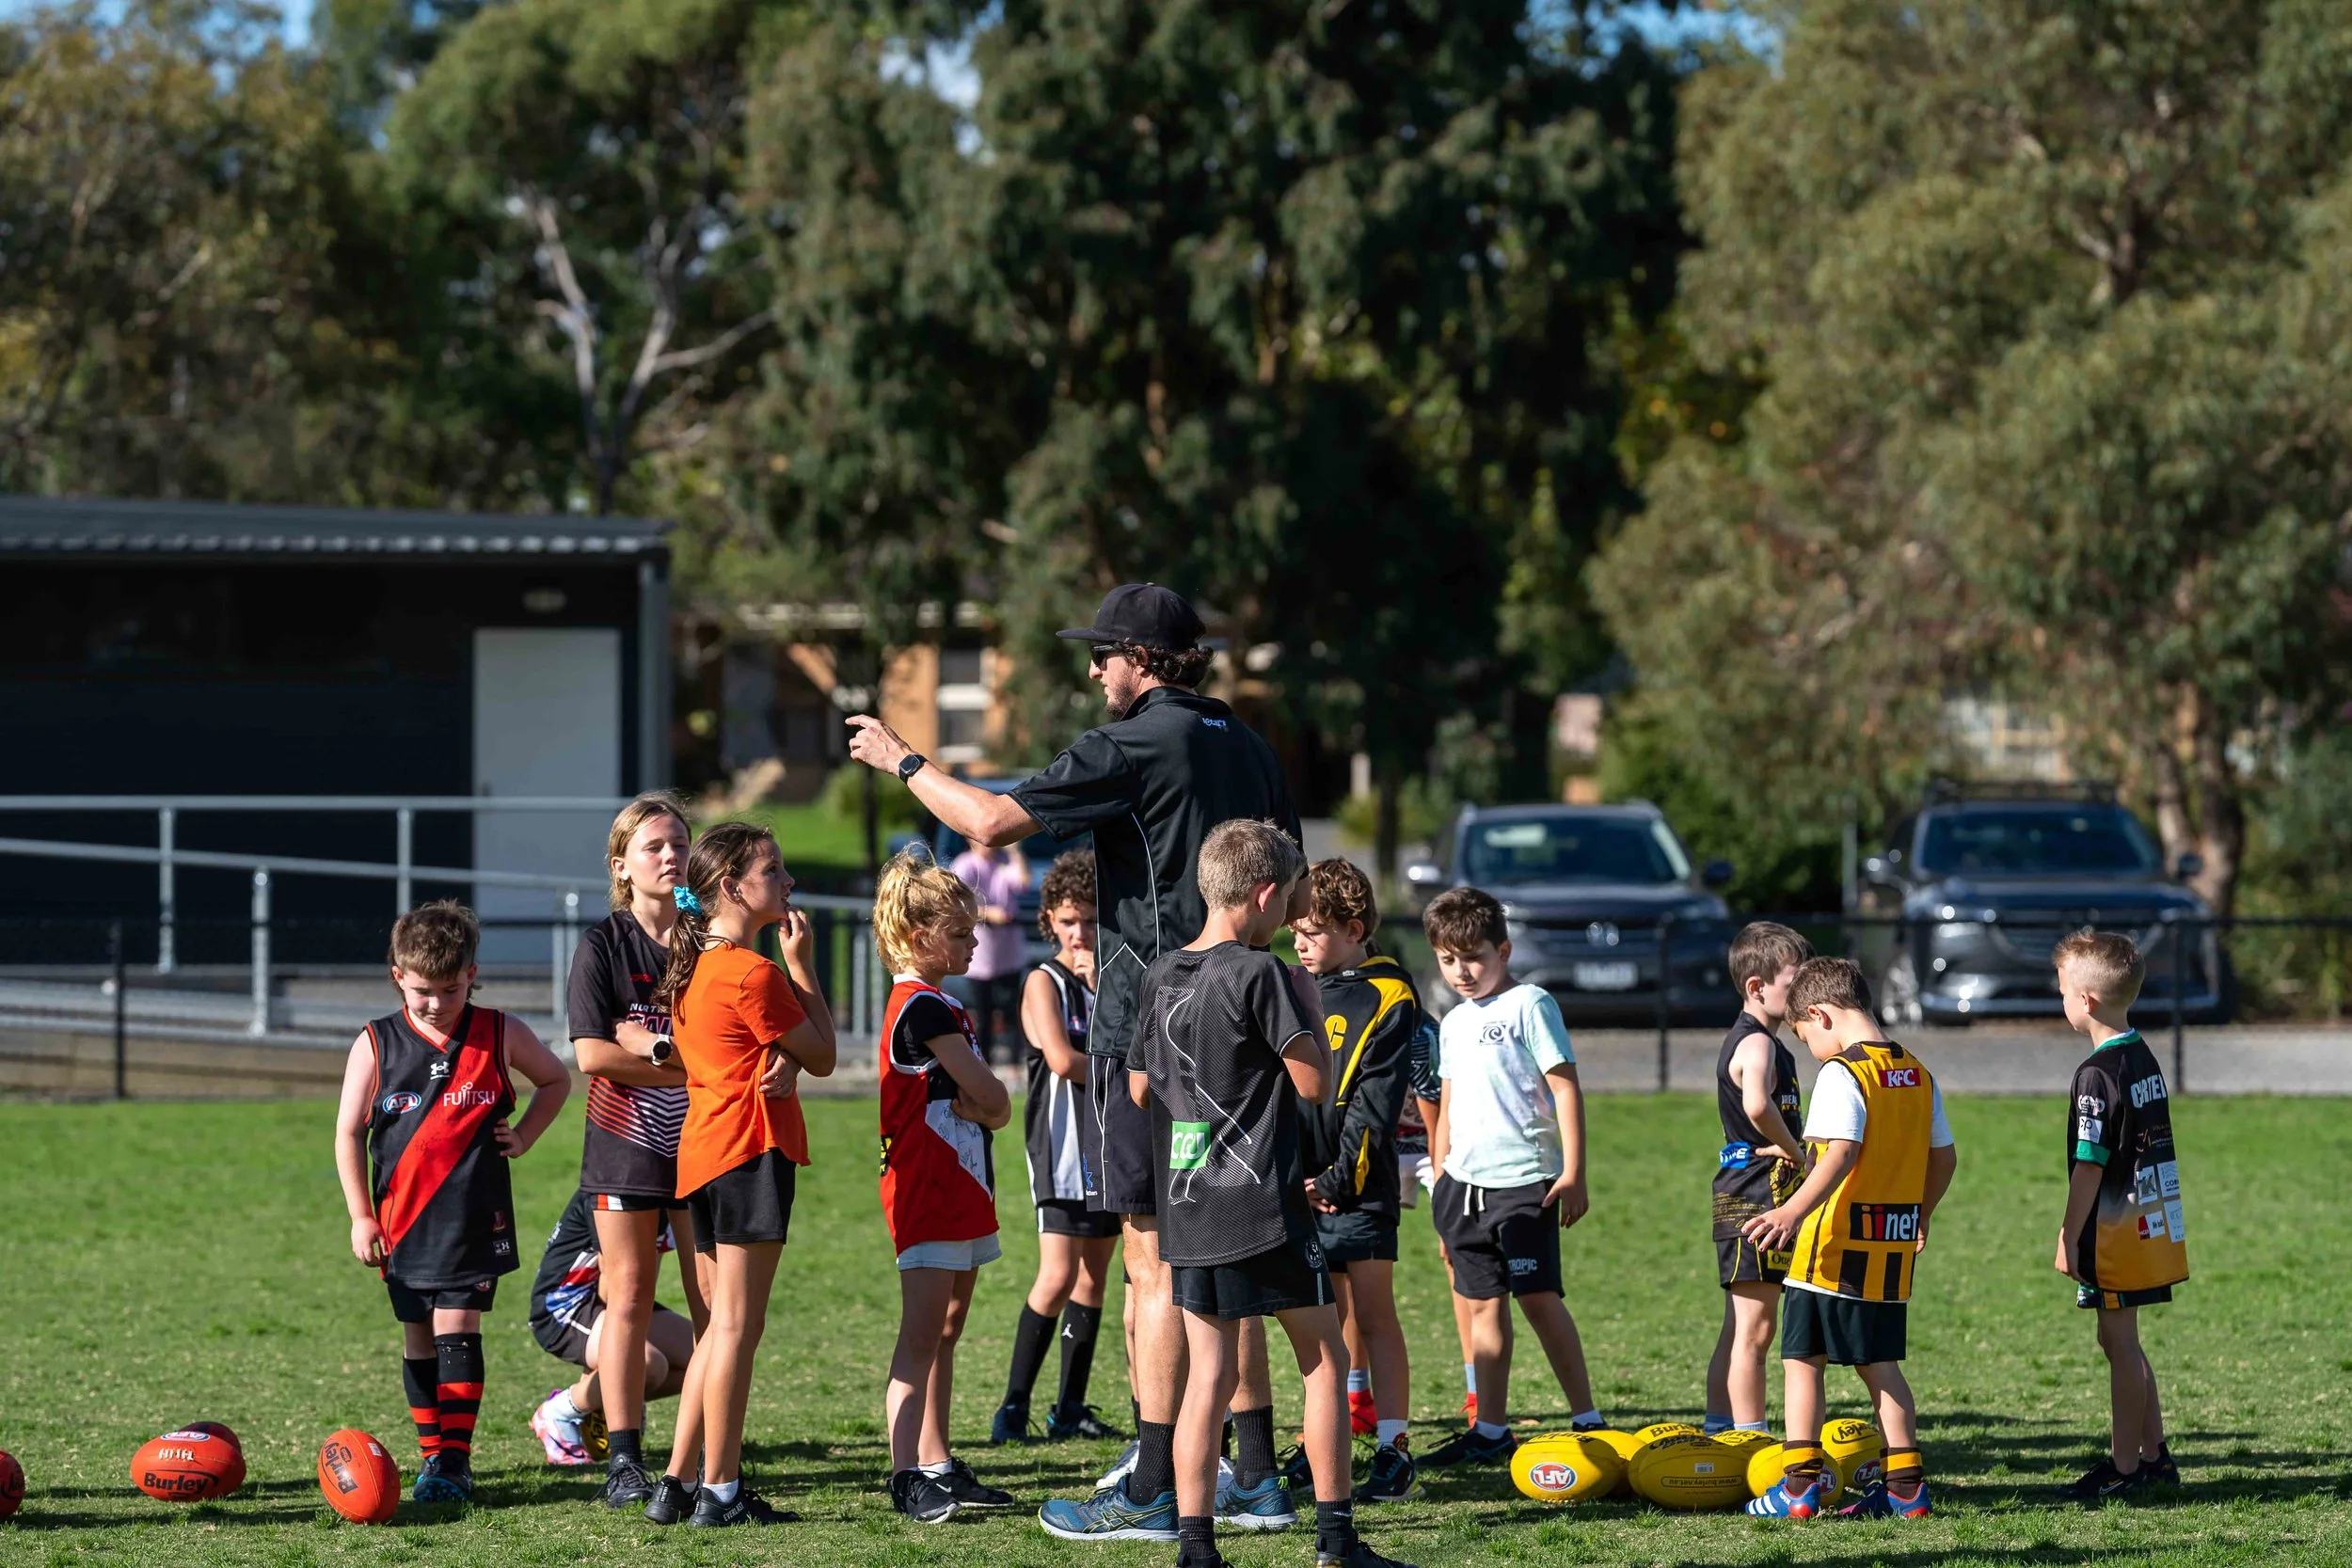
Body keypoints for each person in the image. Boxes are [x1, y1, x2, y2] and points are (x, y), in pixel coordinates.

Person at [846, 582, 1304, 1539]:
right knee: (1232, 1256)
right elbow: (1287, 884)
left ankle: (1150, 1482)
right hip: (1244, 1025)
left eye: (1101, 653)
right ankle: (1254, 1473)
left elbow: (985, 822)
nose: (1092, 669)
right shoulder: (1249, 743)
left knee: (1149, 1259)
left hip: (1151, 1029)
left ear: (1138, 659)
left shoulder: (1132, 741)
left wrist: (902, 758)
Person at [1116, 820, 1412, 1568]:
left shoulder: (1161, 973)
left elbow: (1141, 1087)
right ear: (1267, 894)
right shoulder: (1264, 974)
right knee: (1322, 1357)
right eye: (1292, 906)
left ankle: (1195, 1547)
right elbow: (1313, 1082)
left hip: (1189, 1202)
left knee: (1207, 1375)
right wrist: (1306, 1002)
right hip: (1263, 1202)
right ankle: (1337, 1538)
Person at [331, 899, 572, 1503]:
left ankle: (455, 1463)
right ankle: (431, 1456)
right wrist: (361, 1216)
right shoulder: (376, 1044)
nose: (435, 1003)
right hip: (401, 1222)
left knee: (458, 1331)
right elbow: (348, 1132)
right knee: (418, 1340)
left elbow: (556, 1079)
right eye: (421, 992)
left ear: (471, 974)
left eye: (448, 989)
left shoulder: (500, 1032)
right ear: (397, 978)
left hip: (473, 1218)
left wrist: (526, 1135)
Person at [656, 822, 836, 1528]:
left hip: (702, 1156)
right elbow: (821, 1052)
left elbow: (772, 1051)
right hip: (749, 1153)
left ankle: (677, 1482)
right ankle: (720, 1491)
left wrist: (784, 1056)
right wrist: (805, 964)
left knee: (718, 1331)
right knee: (736, 1327)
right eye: (774, 870)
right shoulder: (752, 970)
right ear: (732, 886)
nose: (787, 882)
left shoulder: (694, 966)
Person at [1740, 958, 1957, 1521]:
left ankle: (1798, 1489)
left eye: (1804, 1033)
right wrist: (1922, 1214)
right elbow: (1944, 1158)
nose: (1809, 1044)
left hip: (1830, 1248)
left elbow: (1840, 1152)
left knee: (1802, 1362)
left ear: (1819, 1013)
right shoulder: (1916, 1071)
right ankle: (1907, 1493)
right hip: (1888, 1247)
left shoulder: (1843, 1073)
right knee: (1881, 1365)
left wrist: (1789, 1210)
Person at [547, 793, 708, 1509]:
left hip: (704, 1146)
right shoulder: (602, 945)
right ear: (622, 864)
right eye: (654, 845)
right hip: (625, 1148)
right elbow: (592, 1055)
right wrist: (685, 1067)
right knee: (630, 1295)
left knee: (716, 1309)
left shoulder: (706, 939)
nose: (671, 854)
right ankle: (623, 1460)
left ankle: (702, 1459)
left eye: (679, 842)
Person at [1416, 887, 1607, 1469]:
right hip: (1463, 1190)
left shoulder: (1531, 1004)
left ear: (1504, 949)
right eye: (1448, 960)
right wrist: (1443, 1173)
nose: (1461, 971)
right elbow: (1446, 1102)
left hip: (1527, 1185)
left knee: (1541, 1301)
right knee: (1483, 1309)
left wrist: (1574, 1172)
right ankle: (1491, 1430)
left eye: (1473, 957)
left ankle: (1588, 1421)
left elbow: (1565, 1086)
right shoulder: (1450, 1022)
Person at [873, 847, 1021, 1523]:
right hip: (928, 1187)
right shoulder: (921, 1007)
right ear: (917, 935)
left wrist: (987, 1107)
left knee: (950, 1326)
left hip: (963, 1183)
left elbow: (990, 1105)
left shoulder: (942, 1003)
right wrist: (987, 1105)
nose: (974, 941)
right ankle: (906, 1473)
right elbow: (992, 1096)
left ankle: (936, 1459)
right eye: (960, 932)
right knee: (921, 1332)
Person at [1291, 859, 1422, 1504]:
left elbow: (1374, 1102)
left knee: (1373, 1314)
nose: (1301, 943)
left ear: (1355, 925)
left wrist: (1340, 1178)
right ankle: (1316, 1440)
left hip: (1358, 1185)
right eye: (1294, 932)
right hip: (1303, 1186)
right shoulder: (1298, 983)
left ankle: (1394, 1448)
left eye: (1313, 931)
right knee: (1321, 1320)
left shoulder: (1389, 993)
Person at [2050, 929, 2187, 1503]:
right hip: (2152, 1219)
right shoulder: (2142, 1053)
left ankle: (2125, 1468)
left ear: (2084, 1001)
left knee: (2118, 1341)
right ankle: (2154, 1457)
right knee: (2122, 1340)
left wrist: (2068, 1235)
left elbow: (2089, 1167)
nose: (2059, 999)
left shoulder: (2096, 1074)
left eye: (2060, 989)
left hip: (2114, 1232)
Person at [993, 850, 1124, 1446]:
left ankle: (1069, 1407)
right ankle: (1012, 1406)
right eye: (1069, 921)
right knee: (1056, 1275)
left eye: (1091, 921)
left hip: (1110, 1146)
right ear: (1049, 920)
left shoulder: (1112, 985)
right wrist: (1126, 1067)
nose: (1080, 933)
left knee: (1093, 1281)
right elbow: (1064, 1061)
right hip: (1061, 1147)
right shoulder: (1042, 982)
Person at [1702, 922, 1814, 1437]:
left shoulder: (1763, 1042)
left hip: (1746, 1188)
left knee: (1740, 1324)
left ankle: (1721, 1426)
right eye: (1794, 986)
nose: (1803, 998)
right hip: (1755, 1190)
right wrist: (1796, 1152)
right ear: (1756, 987)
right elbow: (1755, 1104)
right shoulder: (1758, 1044)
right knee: (1756, 1329)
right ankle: (1751, 1437)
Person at [527, 1187, 695, 1467]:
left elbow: (644, 1284)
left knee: (707, 1355)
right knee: (647, 1363)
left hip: (615, 1301)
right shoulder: (613, 1184)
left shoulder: (671, 1194)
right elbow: (611, 1289)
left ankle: (607, 1401)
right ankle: (560, 1411)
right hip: (564, 1306)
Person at [950, 837, 1032, 1065]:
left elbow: (1023, 881)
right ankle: (984, 1060)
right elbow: (958, 903)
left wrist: (1014, 850)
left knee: (1012, 1009)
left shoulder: (1003, 863)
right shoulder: (965, 864)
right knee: (983, 1012)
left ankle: (1015, 1061)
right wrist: (988, 913)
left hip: (1008, 950)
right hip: (982, 952)